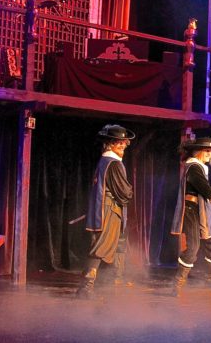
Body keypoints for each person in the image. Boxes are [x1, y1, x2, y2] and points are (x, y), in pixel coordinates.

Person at [76, 124, 135, 298]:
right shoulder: (113, 163)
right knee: (101, 247)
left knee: (112, 246)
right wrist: (129, 192)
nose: (122, 146)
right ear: (109, 144)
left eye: (124, 143)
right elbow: (124, 192)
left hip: (106, 208)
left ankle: (106, 285)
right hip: (109, 210)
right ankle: (85, 289)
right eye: (118, 143)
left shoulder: (105, 161)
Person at [170, 137, 211, 297]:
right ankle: (178, 283)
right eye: (207, 151)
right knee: (193, 246)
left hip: (203, 209)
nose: (210, 154)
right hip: (192, 210)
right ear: (197, 152)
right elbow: (201, 184)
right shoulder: (193, 166)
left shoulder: (199, 167)